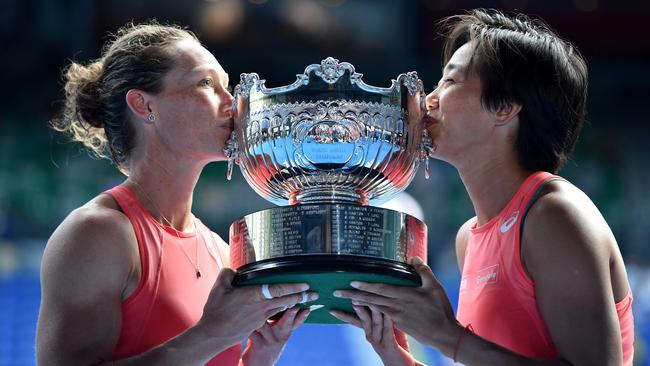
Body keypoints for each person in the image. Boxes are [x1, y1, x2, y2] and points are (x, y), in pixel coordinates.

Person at [331, 8, 634, 366]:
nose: (429, 99)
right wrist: (394, 354)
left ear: (504, 108)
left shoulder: (554, 216)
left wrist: (446, 335)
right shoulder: (469, 236)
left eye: (451, 82)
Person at [37, 22, 318, 365]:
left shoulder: (221, 250)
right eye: (206, 84)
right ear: (143, 105)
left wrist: (260, 356)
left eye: (226, 87)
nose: (231, 103)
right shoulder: (98, 234)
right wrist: (213, 334)